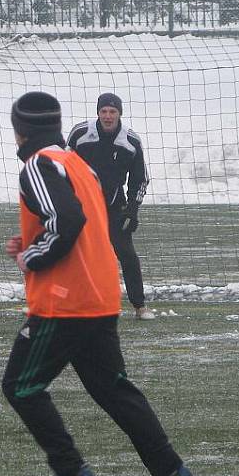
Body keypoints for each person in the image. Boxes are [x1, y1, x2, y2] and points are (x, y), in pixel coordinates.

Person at [2, 91, 196, 476]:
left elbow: (67, 222)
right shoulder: (77, 162)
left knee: (20, 385)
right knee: (114, 390)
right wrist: (34, 241)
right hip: (101, 293)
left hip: (64, 301)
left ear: (23, 129)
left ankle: (70, 471)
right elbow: (77, 222)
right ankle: (171, 471)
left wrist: (28, 256)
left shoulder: (39, 163)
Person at [66, 93, 155, 320]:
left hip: (115, 206)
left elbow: (140, 178)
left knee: (127, 254)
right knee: (72, 254)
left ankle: (139, 306)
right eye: (104, 111)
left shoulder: (131, 141)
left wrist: (132, 209)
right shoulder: (80, 134)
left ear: (119, 114)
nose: (107, 116)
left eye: (112, 111)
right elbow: (63, 169)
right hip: (83, 207)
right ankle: (70, 303)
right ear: (98, 112)